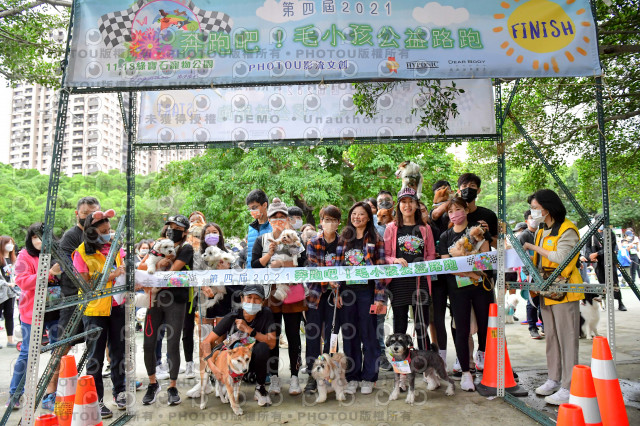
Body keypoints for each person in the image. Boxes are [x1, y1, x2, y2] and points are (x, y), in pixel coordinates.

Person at [522, 189, 584, 405]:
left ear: (548, 208)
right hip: (546, 290)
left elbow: (561, 257)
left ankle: (569, 386)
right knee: (551, 337)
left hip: (565, 291)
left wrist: (532, 246)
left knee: (567, 338)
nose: (533, 212)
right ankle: (554, 379)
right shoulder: (542, 230)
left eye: (535, 208)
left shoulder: (568, 229)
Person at [73, 210, 127, 418]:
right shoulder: (81, 253)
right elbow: (85, 283)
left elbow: (123, 267)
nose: (107, 234)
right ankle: (96, 401)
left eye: (109, 230)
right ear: (91, 232)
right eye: (103, 231)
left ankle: (120, 392)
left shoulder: (115, 247)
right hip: (95, 310)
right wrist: (111, 276)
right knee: (95, 356)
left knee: (119, 352)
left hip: (117, 305)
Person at [252, 198, 307, 396]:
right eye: (274, 217)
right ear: (268, 219)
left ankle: (294, 377)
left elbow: (304, 264)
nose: (278, 221)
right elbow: (254, 266)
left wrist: (283, 264)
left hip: (292, 292)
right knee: (272, 336)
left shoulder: (296, 239)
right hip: (270, 294)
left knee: (293, 336)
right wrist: (269, 256)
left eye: (282, 217)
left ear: (288, 219)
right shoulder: (262, 240)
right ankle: (274, 377)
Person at [439, 197, 493, 392]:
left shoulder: (478, 231)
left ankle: (484, 360)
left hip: (481, 287)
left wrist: (476, 271)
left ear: (466, 210)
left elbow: (485, 260)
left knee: (485, 326)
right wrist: (471, 274)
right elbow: (447, 266)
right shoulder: (445, 237)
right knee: (461, 330)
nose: (455, 214)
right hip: (458, 290)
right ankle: (465, 373)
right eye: (450, 211)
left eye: (458, 209)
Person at [139, 214, 193, 407]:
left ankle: (172, 386)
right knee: (148, 343)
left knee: (172, 344)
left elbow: (172, 273)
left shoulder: (186, 248)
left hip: (176, 301)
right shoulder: (157, 245)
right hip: (154, 300)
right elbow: (142, 266)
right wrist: (156, 264)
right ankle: (153, 383)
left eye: (177, 228)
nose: (172, 230)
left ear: (185, 232)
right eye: (170, 226)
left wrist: (160, 269)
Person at [7, 223, 61, 411]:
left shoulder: (57, 253)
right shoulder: (24, 256)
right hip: (33, 311)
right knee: (28, 352)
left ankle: (53, 393)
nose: (39, 241)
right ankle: (15, 394)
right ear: (30, 240)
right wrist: (49, 273)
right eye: (35, 237)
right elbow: (22, 281)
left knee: (58, 351)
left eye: (42, 236)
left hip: (56, 309)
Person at [335, 201, 386, 395]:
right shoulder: (344, 238)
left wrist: (379, 297)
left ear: (369, 217)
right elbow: (337, 267)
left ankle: (369, 377)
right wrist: (337, 293)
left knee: (369, 334)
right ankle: (353, 377)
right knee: (349, 335)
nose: (357, 217)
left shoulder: (376, 238)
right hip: (347, 292)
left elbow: (381, 268)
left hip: (367, 292)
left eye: (362, 214)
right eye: (354, 213)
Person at [200, 285, 277, 407]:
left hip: (253, 361)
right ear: (242, 299)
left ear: (262, 301)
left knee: (263, 347)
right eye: (249, 297)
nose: (252, 302)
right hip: (234, 364)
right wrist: (212, 367)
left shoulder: (266, 313)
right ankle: (226, 381)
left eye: (257, 298)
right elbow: (205, 342)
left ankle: (260, 388)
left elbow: (272, 344)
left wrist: (249, 330)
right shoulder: (233, 316)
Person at [384, 188, 435, 354]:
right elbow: (385, 255)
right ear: (398, 206)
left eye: (411, 201)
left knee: (421, 325)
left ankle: (426, 361)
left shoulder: (425, 228)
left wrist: (424, 265)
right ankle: (401, 363)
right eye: (403, 202)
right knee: (400, 325)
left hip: (420, 281)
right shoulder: (391, 228)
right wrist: (395, 260)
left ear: (416, 204)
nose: (407, 205)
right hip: (398, 282)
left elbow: (431, 254)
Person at [303, 205, 342, 394]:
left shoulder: (344, 242)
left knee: (332, 336)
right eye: (327, 220)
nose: (330, 223)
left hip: (336, 297)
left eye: (333, 220)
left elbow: (347, 268)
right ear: (321, 222)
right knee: (313, 336)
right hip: (316, 295)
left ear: (338, 223)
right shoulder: (313, 242)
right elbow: (313, 267)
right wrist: (328, 281)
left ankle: (331, 374)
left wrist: (338, 289)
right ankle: (313, 376)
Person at [58, 197, 101, 335]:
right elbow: (67, 266)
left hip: (98, 296)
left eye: (93, 214)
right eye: (85, 213)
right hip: (73, 295)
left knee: (99, 338)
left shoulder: (101, 235)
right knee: (66, 338)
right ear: (77, 213)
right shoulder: (70, 236)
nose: (89, 217)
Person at [585, 218, 626, 311]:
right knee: (602, 283)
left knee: (614, 282)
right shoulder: (592, 234)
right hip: (597, 263)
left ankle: (620, 302)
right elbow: (587, 247)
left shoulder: (610, 233)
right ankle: (605, 303)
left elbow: (610, 247)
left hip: (609, 261)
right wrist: (590, 256)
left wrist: (597, 253)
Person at [374, 190, 394, 371]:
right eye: (381, 200)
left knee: (399, 318)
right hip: (378, 281)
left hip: (399, 278)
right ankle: (379, 355)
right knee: (378, 317)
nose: (384, 202)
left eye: (387, 200)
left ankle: (402, 355)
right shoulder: (371, 222)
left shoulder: (399, 222)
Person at [519, 210, 544, 340]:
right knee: (532, 301)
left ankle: (545, 325)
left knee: (544, 300)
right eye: (531, 217)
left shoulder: (542, 233)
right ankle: (532, 327)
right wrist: (528, 272)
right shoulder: (524, 236)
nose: (534, 219)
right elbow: (521, 256)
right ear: (526, 221)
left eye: (535, 217)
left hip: (544, 271)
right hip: (530, 273)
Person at [245, 190, 272, 268]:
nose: (252, 211)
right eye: (250, 208)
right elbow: (250, 254)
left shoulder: (273, 225)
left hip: (270, 270)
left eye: (254, 207)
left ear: (264, 205)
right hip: (251, 271)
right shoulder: (251, 227)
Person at [0, 235, 18, 348]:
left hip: (11, 292)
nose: (10, 245)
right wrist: (6, 283)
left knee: (9, 315)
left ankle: (10, 340)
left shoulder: (13, 259)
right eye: (8, 243)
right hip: (1, 291)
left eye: (12, 243)